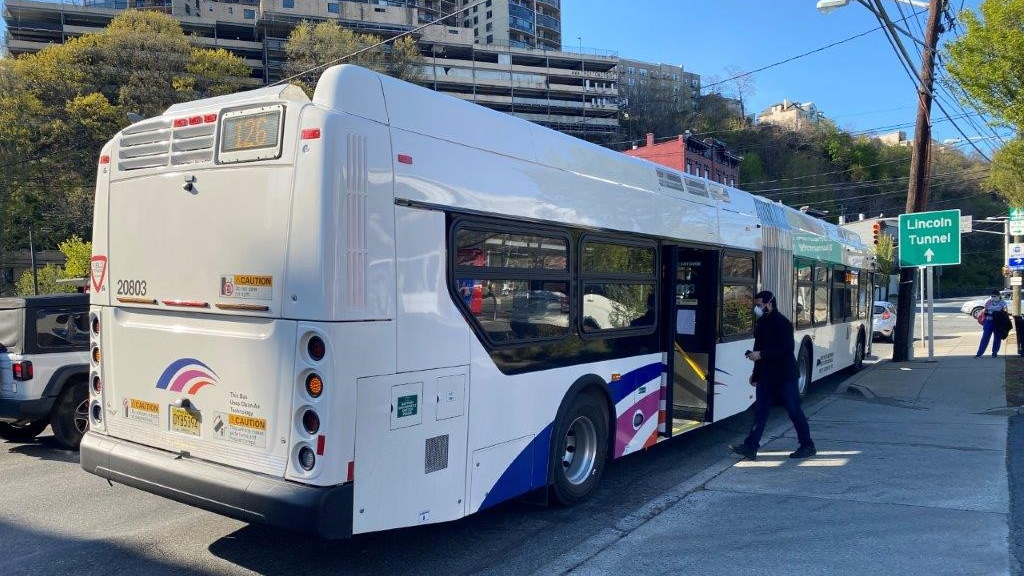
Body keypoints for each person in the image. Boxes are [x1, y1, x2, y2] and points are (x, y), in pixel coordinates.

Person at [729, 291, 816, 460]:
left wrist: (761, 354)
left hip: (785, 376)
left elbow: (787, 349)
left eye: (759, 305)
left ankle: (808, 445)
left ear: (769, 304)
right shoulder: (762, 323)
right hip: (766, 376)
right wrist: (755, 373)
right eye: (756, 305)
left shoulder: (782, 323)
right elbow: (758, 347)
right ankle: (750, 447)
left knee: (794, 411)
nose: (757, 308)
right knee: (760, 412)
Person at [976, 290, 1009, 358]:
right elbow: (985, 311)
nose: (993, 297)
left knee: (997, 338)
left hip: (998, 323)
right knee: (985, 337)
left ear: (999, 296)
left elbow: (1005, 313)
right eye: (992, 296)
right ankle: (979, 353)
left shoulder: (1003, 303)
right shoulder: (989, 302)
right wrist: (986, 312)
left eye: (995, 296)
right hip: (988, 321)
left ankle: (994, 353)